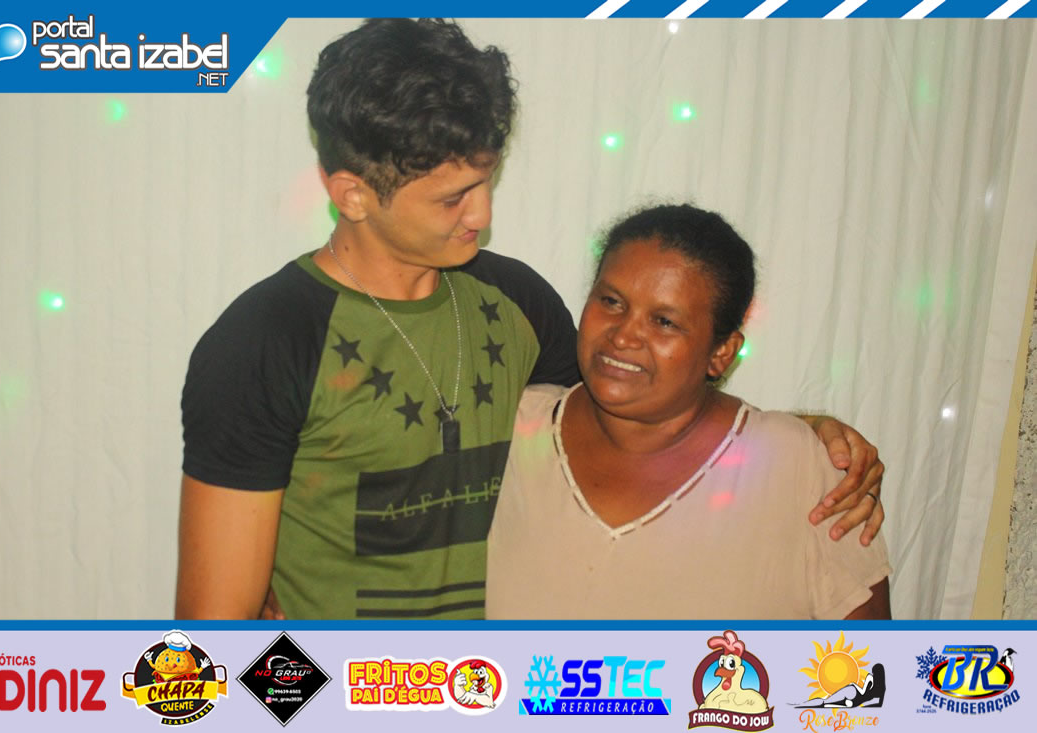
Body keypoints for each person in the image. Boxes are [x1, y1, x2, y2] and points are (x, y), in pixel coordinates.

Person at [177, 19, 884, 620]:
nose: (482, 214)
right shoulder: (264, 342)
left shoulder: (514, 300)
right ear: (353, 195)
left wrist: (805, 439)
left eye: (486, 180)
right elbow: (215, 636)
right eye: (452, 198)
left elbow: (629, 412)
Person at [486, 204, 891, 619]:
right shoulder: (509, 431)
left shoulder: (798, 466)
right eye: (611, 301)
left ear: (722, 353)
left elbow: (870, 657)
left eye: (664, 321)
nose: (623, 335)